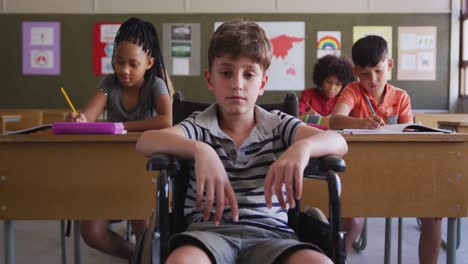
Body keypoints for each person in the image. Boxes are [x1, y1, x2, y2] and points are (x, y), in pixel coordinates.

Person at [136, 20, 348, 264]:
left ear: (263, 83)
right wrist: (199, 150)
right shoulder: (198, 126)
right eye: (226, 73)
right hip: (206, 235)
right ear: (210, 79)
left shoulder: (279, 126)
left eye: (248, 74)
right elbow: (145, 141)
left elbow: (339, 141)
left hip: (274, 237)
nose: (237, 83)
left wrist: (303, 147)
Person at [66, 17, 173, 260]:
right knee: (91, 232)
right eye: (119, 62)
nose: (124, 70)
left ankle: (143, 255)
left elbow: (168, 120)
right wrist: (79, 119)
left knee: (142, 227)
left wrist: (120, 126)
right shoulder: (108, 83)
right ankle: (136, 255)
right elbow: (89, 116)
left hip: (142, 172)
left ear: (149, 63)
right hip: (109, 170)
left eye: (133, 64)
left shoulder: (155, 85)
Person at [330, 35, 441, 264]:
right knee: (353, 221)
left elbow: (410, 134)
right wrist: (360, 123)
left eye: (378, 71)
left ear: (389, 65)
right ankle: (335, 261)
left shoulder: (400, 97)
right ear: (355, 72)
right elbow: (335, 120)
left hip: (399, 170)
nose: (372, 79)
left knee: (434, 213)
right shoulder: (352, 92)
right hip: (359, 172)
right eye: (365, 74)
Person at [299, 54, 355, 126]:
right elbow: (296, 116)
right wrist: (305, 115)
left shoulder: (344, 100)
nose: (332, 88)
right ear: (321, 79)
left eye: (337, 84)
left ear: (344, 85)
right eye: (329, 82)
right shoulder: (308, 94)